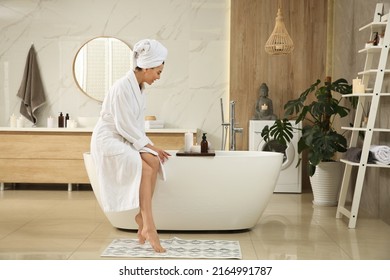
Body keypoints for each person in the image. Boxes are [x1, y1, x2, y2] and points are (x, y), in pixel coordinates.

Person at [90, 39, 170, 253]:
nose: (158, 77)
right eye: (158, 72)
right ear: (146, 67)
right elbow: (124, 125)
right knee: (144, 166)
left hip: (124, 136)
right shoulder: (121, 87)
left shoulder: (139, 88)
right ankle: (149, 225)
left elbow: (134, 126)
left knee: (153, 161)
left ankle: (140, 216)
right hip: (109, 139)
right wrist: (150, 146)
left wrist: (151, 148)